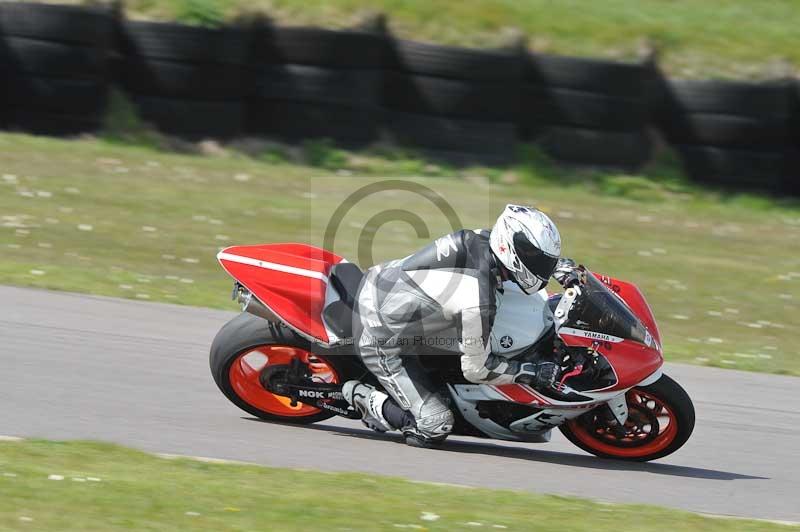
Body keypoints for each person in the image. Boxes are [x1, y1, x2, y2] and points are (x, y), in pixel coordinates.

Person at [342, 204, 579, 447]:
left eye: (545, 260)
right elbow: (477, 369)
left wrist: (559, 269)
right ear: (512, 248)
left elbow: (525, 258)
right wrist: (530, 372)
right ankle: (363, 397)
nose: (542, 266)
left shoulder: (483, 239)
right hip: (379, 335)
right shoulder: (476, 298)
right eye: (539, 260)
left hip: (386, 285)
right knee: (435, 424)